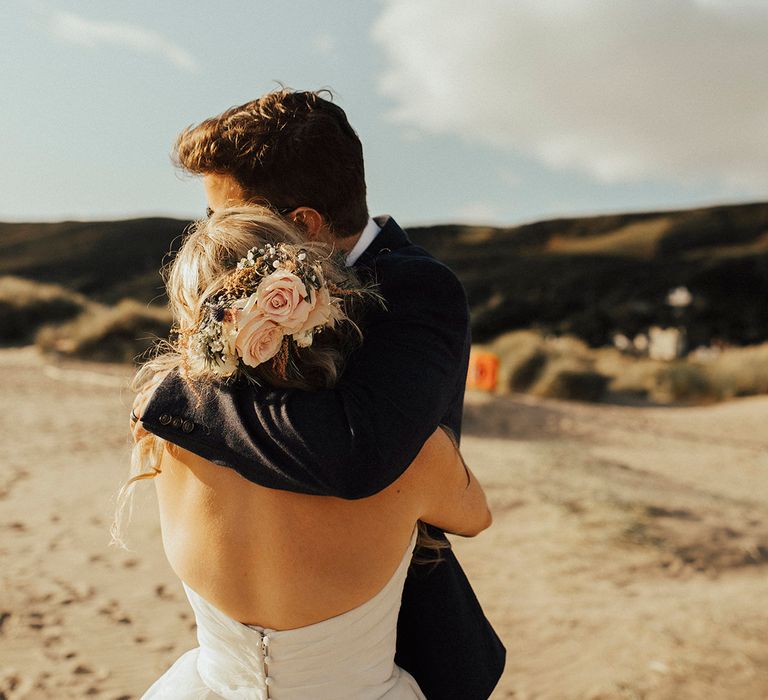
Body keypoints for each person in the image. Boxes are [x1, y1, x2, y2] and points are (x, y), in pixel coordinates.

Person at [136, 89, 506, 699]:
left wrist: (176, 394)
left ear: (305, 225)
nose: (214, 235)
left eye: (223, 216)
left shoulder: (416, 289)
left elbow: (354, 452)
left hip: (373, 624)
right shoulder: (242, 294)